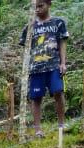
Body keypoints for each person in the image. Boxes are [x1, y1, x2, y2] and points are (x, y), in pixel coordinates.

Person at [20, 0, 69, 137]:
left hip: (54, 65)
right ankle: (38, 130)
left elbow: (62, 43)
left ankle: (61, 125)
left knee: (58, 92)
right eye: (35, 7)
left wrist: (63, 63)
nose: (38, 9)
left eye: (41, 6)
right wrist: (26, 67)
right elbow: (25, 48)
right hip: (36, 68)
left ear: (49, 4)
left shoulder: (58, 23)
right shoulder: (29, 27)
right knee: (36, 97)